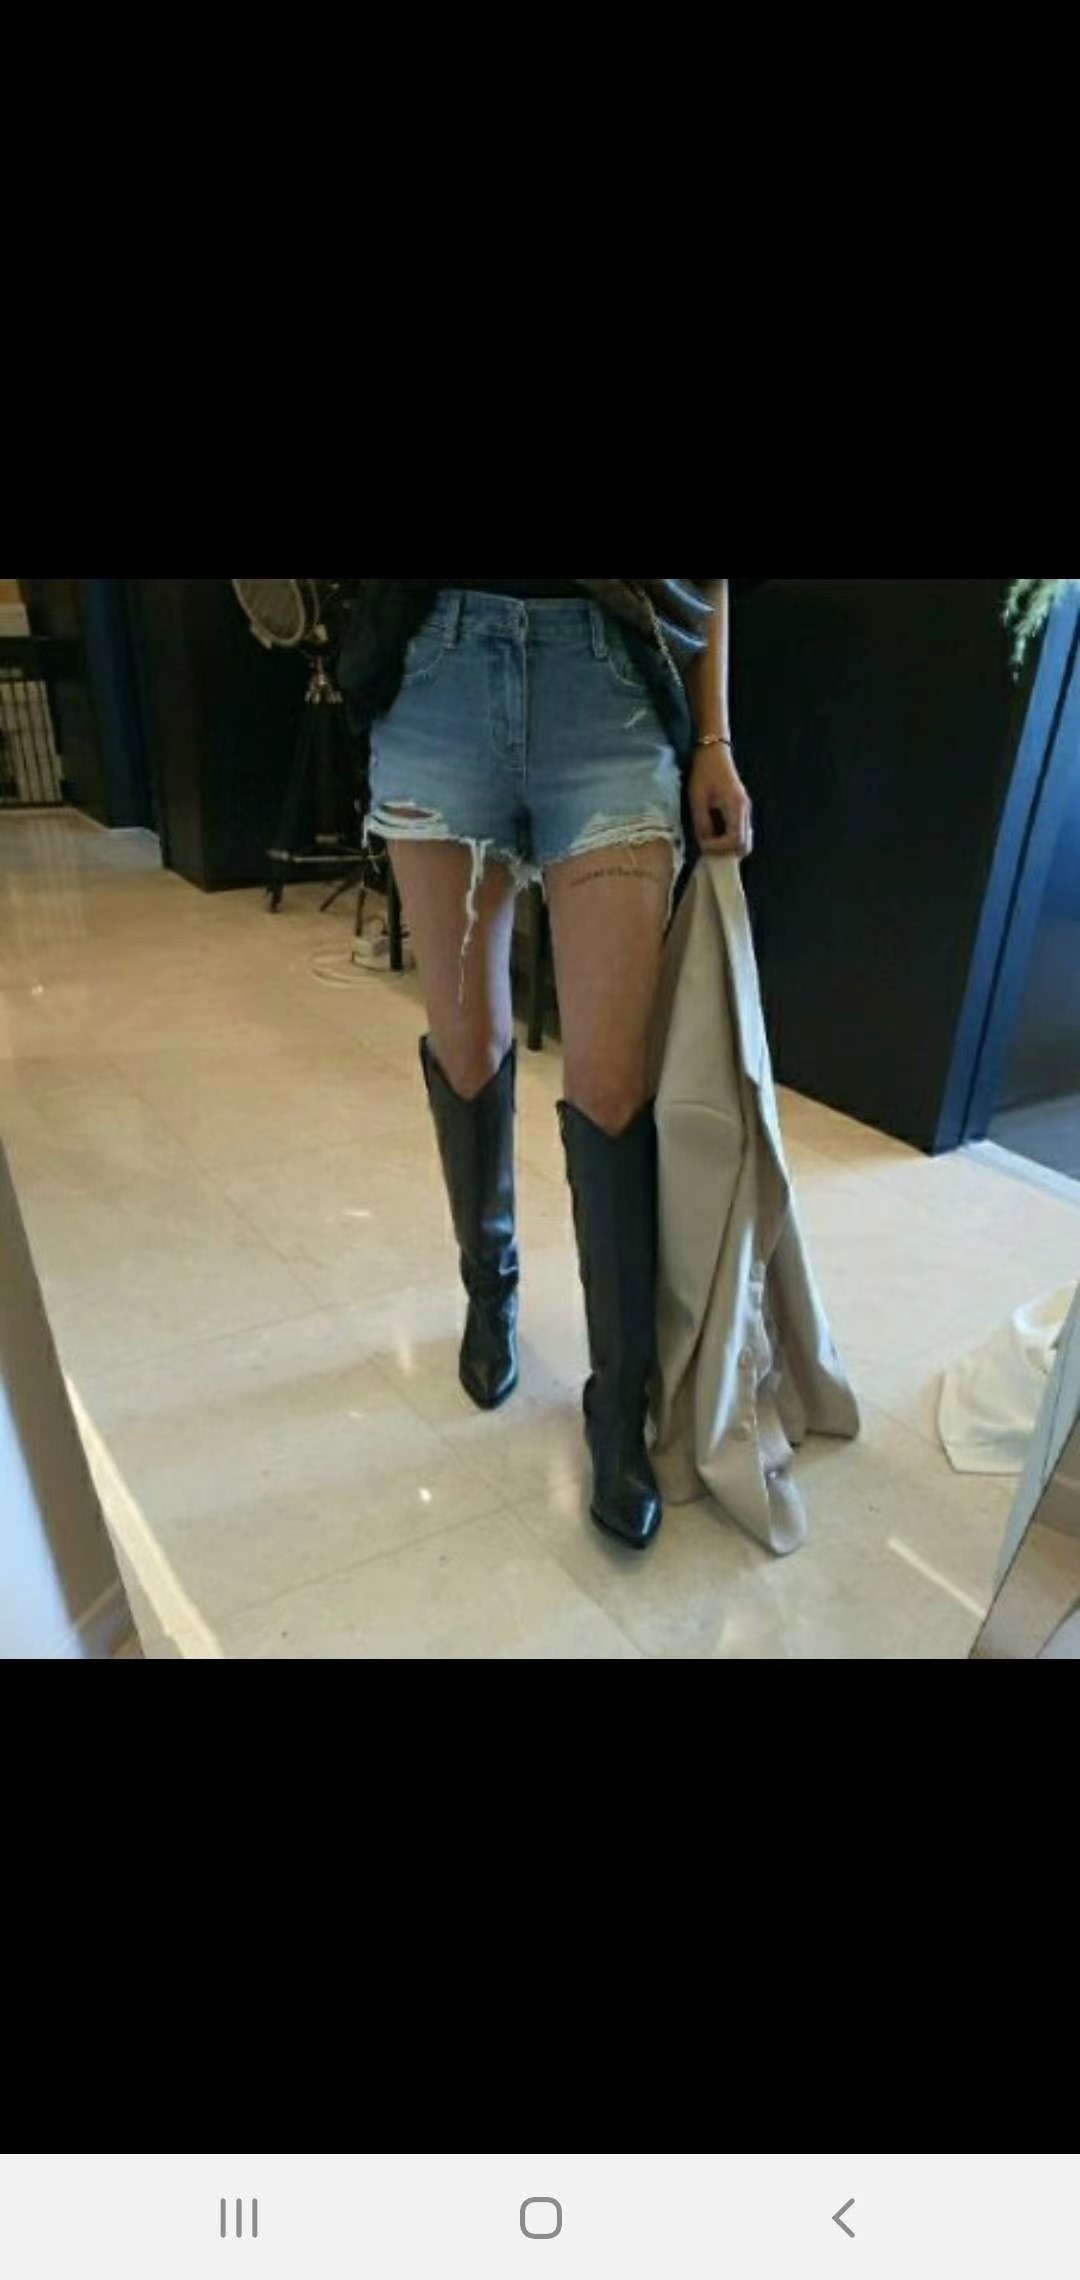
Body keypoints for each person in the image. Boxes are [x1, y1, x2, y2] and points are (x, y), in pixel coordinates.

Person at [347, 579, 753, 1551]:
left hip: (609, 690)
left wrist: (715, 738)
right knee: (467, 1048)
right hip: (439, 674)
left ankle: (619, 1407)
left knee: (612, 1087)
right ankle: (490, 1292)